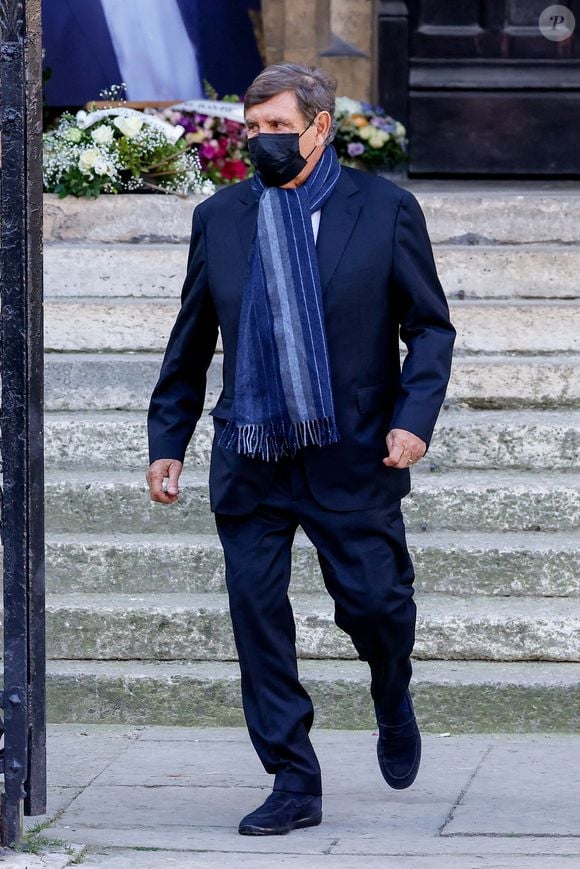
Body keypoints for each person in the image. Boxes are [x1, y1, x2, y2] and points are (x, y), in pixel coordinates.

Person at [146, 63, 456, 836]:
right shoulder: (222, 216)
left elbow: (429, 328)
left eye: (279, 128)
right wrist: (168, 439)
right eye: (254, 130)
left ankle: (391, 692)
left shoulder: (384, 211)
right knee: (258, 616)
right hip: (251, 455)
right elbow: (191, 341)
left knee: (377, 607)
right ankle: (293, 777)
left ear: (321, 127)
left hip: (354, 452)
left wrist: (413, 419)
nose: (264, 142)